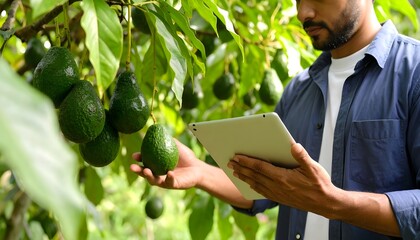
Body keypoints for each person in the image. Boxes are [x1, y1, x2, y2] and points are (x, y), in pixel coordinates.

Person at [130, 0, 420, 239]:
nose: (302, 13)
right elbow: (267, 187)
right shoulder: (298, 90)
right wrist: (200, 172)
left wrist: (334, 204)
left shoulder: (414, 73)